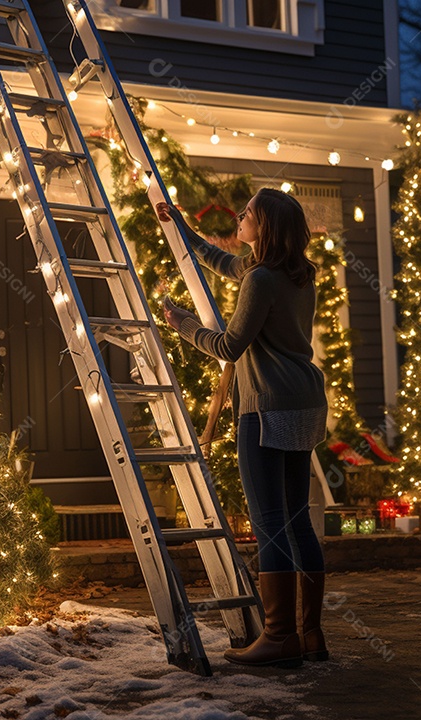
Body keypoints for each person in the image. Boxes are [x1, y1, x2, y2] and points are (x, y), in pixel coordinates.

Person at [157, 189, 328, 668]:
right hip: (305, 402)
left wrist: (184, 324)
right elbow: (225, 263)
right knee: (296, 519)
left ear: (265, 226)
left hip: (267, 407)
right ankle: (310, 635)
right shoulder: (296, 274)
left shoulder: (262, 279)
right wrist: (183, 231)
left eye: (248, 213)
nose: (239, 216)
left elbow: (231, 346)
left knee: (270, 522)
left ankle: (277, 637)